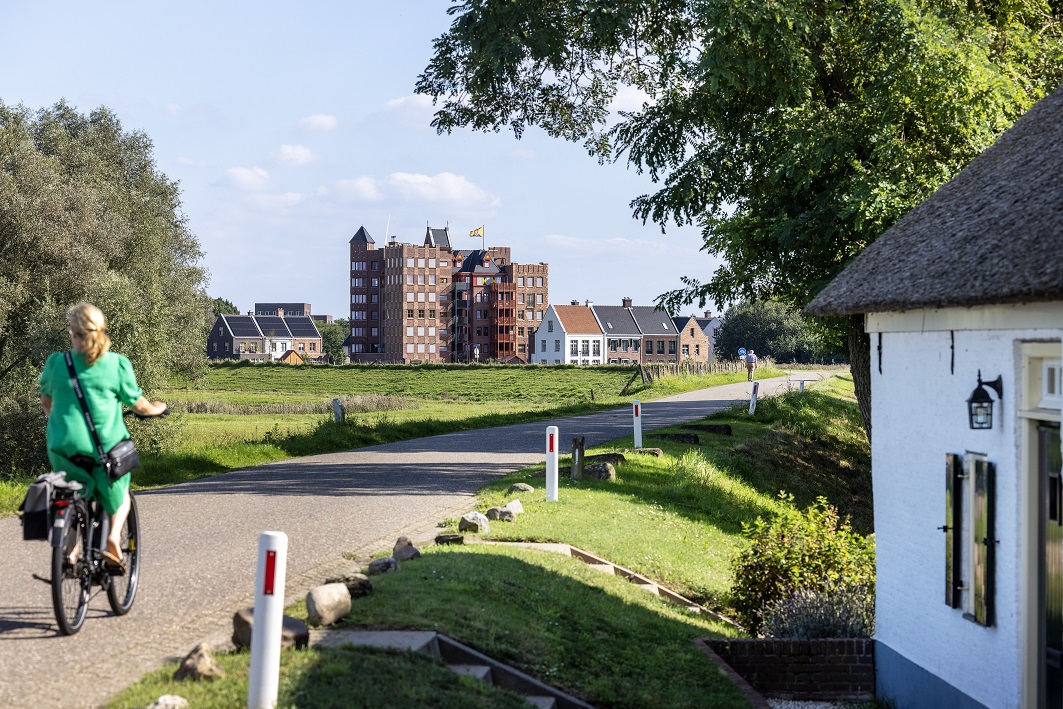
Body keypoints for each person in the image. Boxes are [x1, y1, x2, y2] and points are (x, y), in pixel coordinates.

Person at [39, 303, 166, 573]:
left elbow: (47, 403)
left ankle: (70, 550)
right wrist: (157, 408)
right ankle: (112, 540)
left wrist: (59, 422)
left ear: (73, 332)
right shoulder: (117, 364)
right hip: (104, 451)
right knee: (121, 496)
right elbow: (138, 404)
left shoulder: (56, 363)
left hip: (62, 448)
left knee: (73, 490)